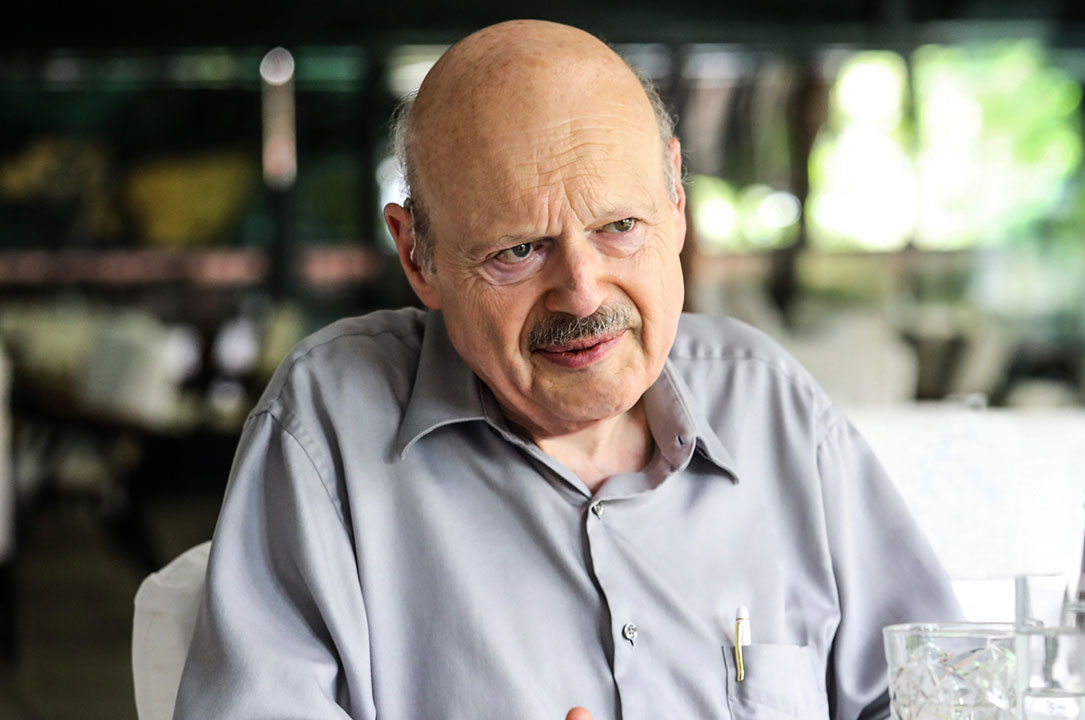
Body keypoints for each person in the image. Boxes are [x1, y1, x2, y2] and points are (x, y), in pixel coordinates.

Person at [173, 20, 960, 719]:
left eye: (619, 226)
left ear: (676, 204)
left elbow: (942, 697)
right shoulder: (327, 425)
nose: (583, 292)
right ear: (418, 256)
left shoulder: (772, 406)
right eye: (518, 250)